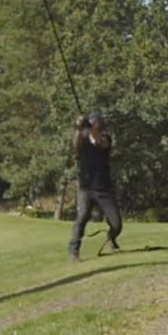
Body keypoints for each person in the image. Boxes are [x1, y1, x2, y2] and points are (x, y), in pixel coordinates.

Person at [69, 112, 122, 262]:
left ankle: (111, 238)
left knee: (116, 223)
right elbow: (75, 144)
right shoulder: (83, 138)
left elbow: (101, 143)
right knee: (82, 217)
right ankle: (74, 251)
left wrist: (91, 128)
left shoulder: (105, 137)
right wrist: (79, 128)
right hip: (86, 188)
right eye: (91, 122)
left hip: (104, 188)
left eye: (95, 122)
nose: (93, 124)